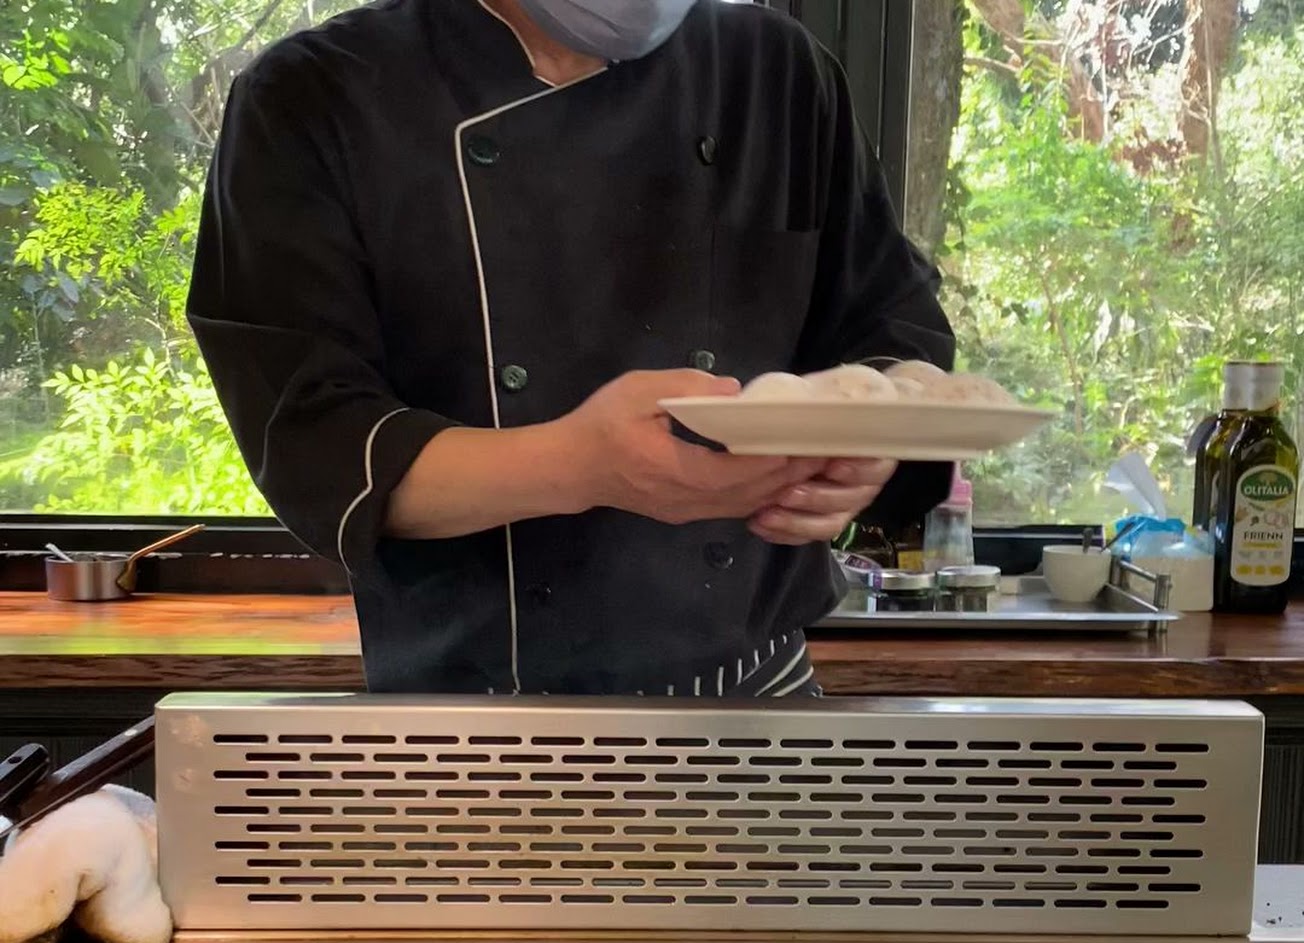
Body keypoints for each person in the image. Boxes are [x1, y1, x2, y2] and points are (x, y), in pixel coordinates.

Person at [186, 0, 956, 697]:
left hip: (760, 705)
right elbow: (319, 441)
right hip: (472, 734)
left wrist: (871, 442)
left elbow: (891, 323)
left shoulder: (776, 73)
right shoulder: (314, 99)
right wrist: (580, 465)